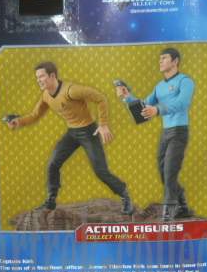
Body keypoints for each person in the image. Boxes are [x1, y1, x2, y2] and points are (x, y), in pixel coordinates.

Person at [9, 61, 133, 214]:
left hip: (89, 132)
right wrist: (18, 121)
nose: (38, 80)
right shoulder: (46, 95)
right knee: (52, 164)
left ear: (52, 75)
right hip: (72, 133)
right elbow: (35, 115)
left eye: (41, 76)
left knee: (100, 171)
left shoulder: (71, 90)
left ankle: (125, 195)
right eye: (37, 77)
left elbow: (101, 98)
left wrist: (103, 124)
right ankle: (51, 201)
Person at [116, 48, 195, 221]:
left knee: (169, 171)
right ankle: (183, 206)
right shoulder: (159, 87)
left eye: (164, 58)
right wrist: (127, 97)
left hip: (179, 131)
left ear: (175, 61)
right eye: (160, 58)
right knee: (164, 173)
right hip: (165, 133)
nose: (160, 61)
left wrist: (157, 110)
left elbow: (182, 103)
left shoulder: (185, 81)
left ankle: (168, 214)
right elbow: (144, 106)